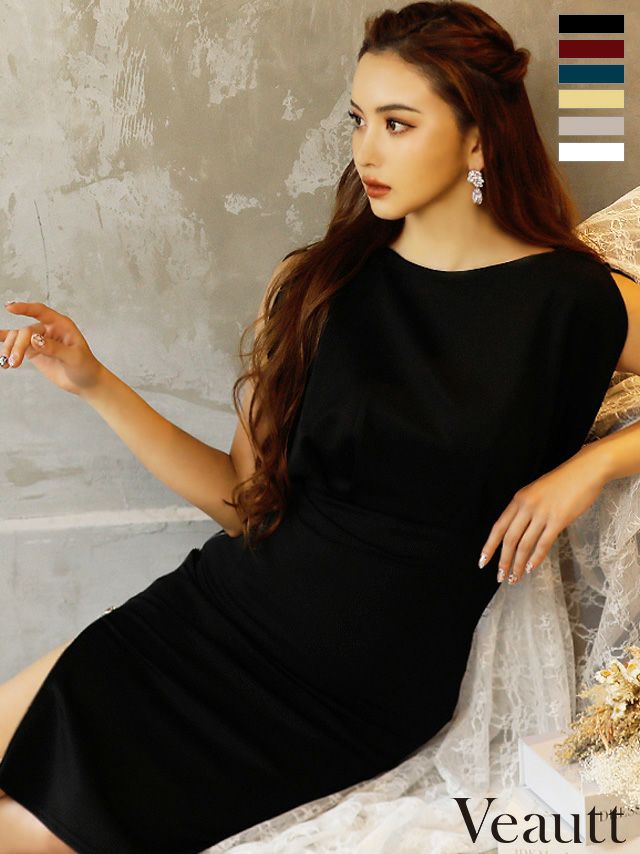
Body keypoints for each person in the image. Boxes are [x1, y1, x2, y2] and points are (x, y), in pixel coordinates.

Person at [0, 2, 638, 852]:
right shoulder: (315, 286)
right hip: (207, 618)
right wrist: (93, 382)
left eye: (398, 123)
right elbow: (242, 503)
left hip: (336, 699)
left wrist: (591, 467)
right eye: (358, 120)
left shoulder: (573, 301)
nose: (366, 150)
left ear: (479, 139)